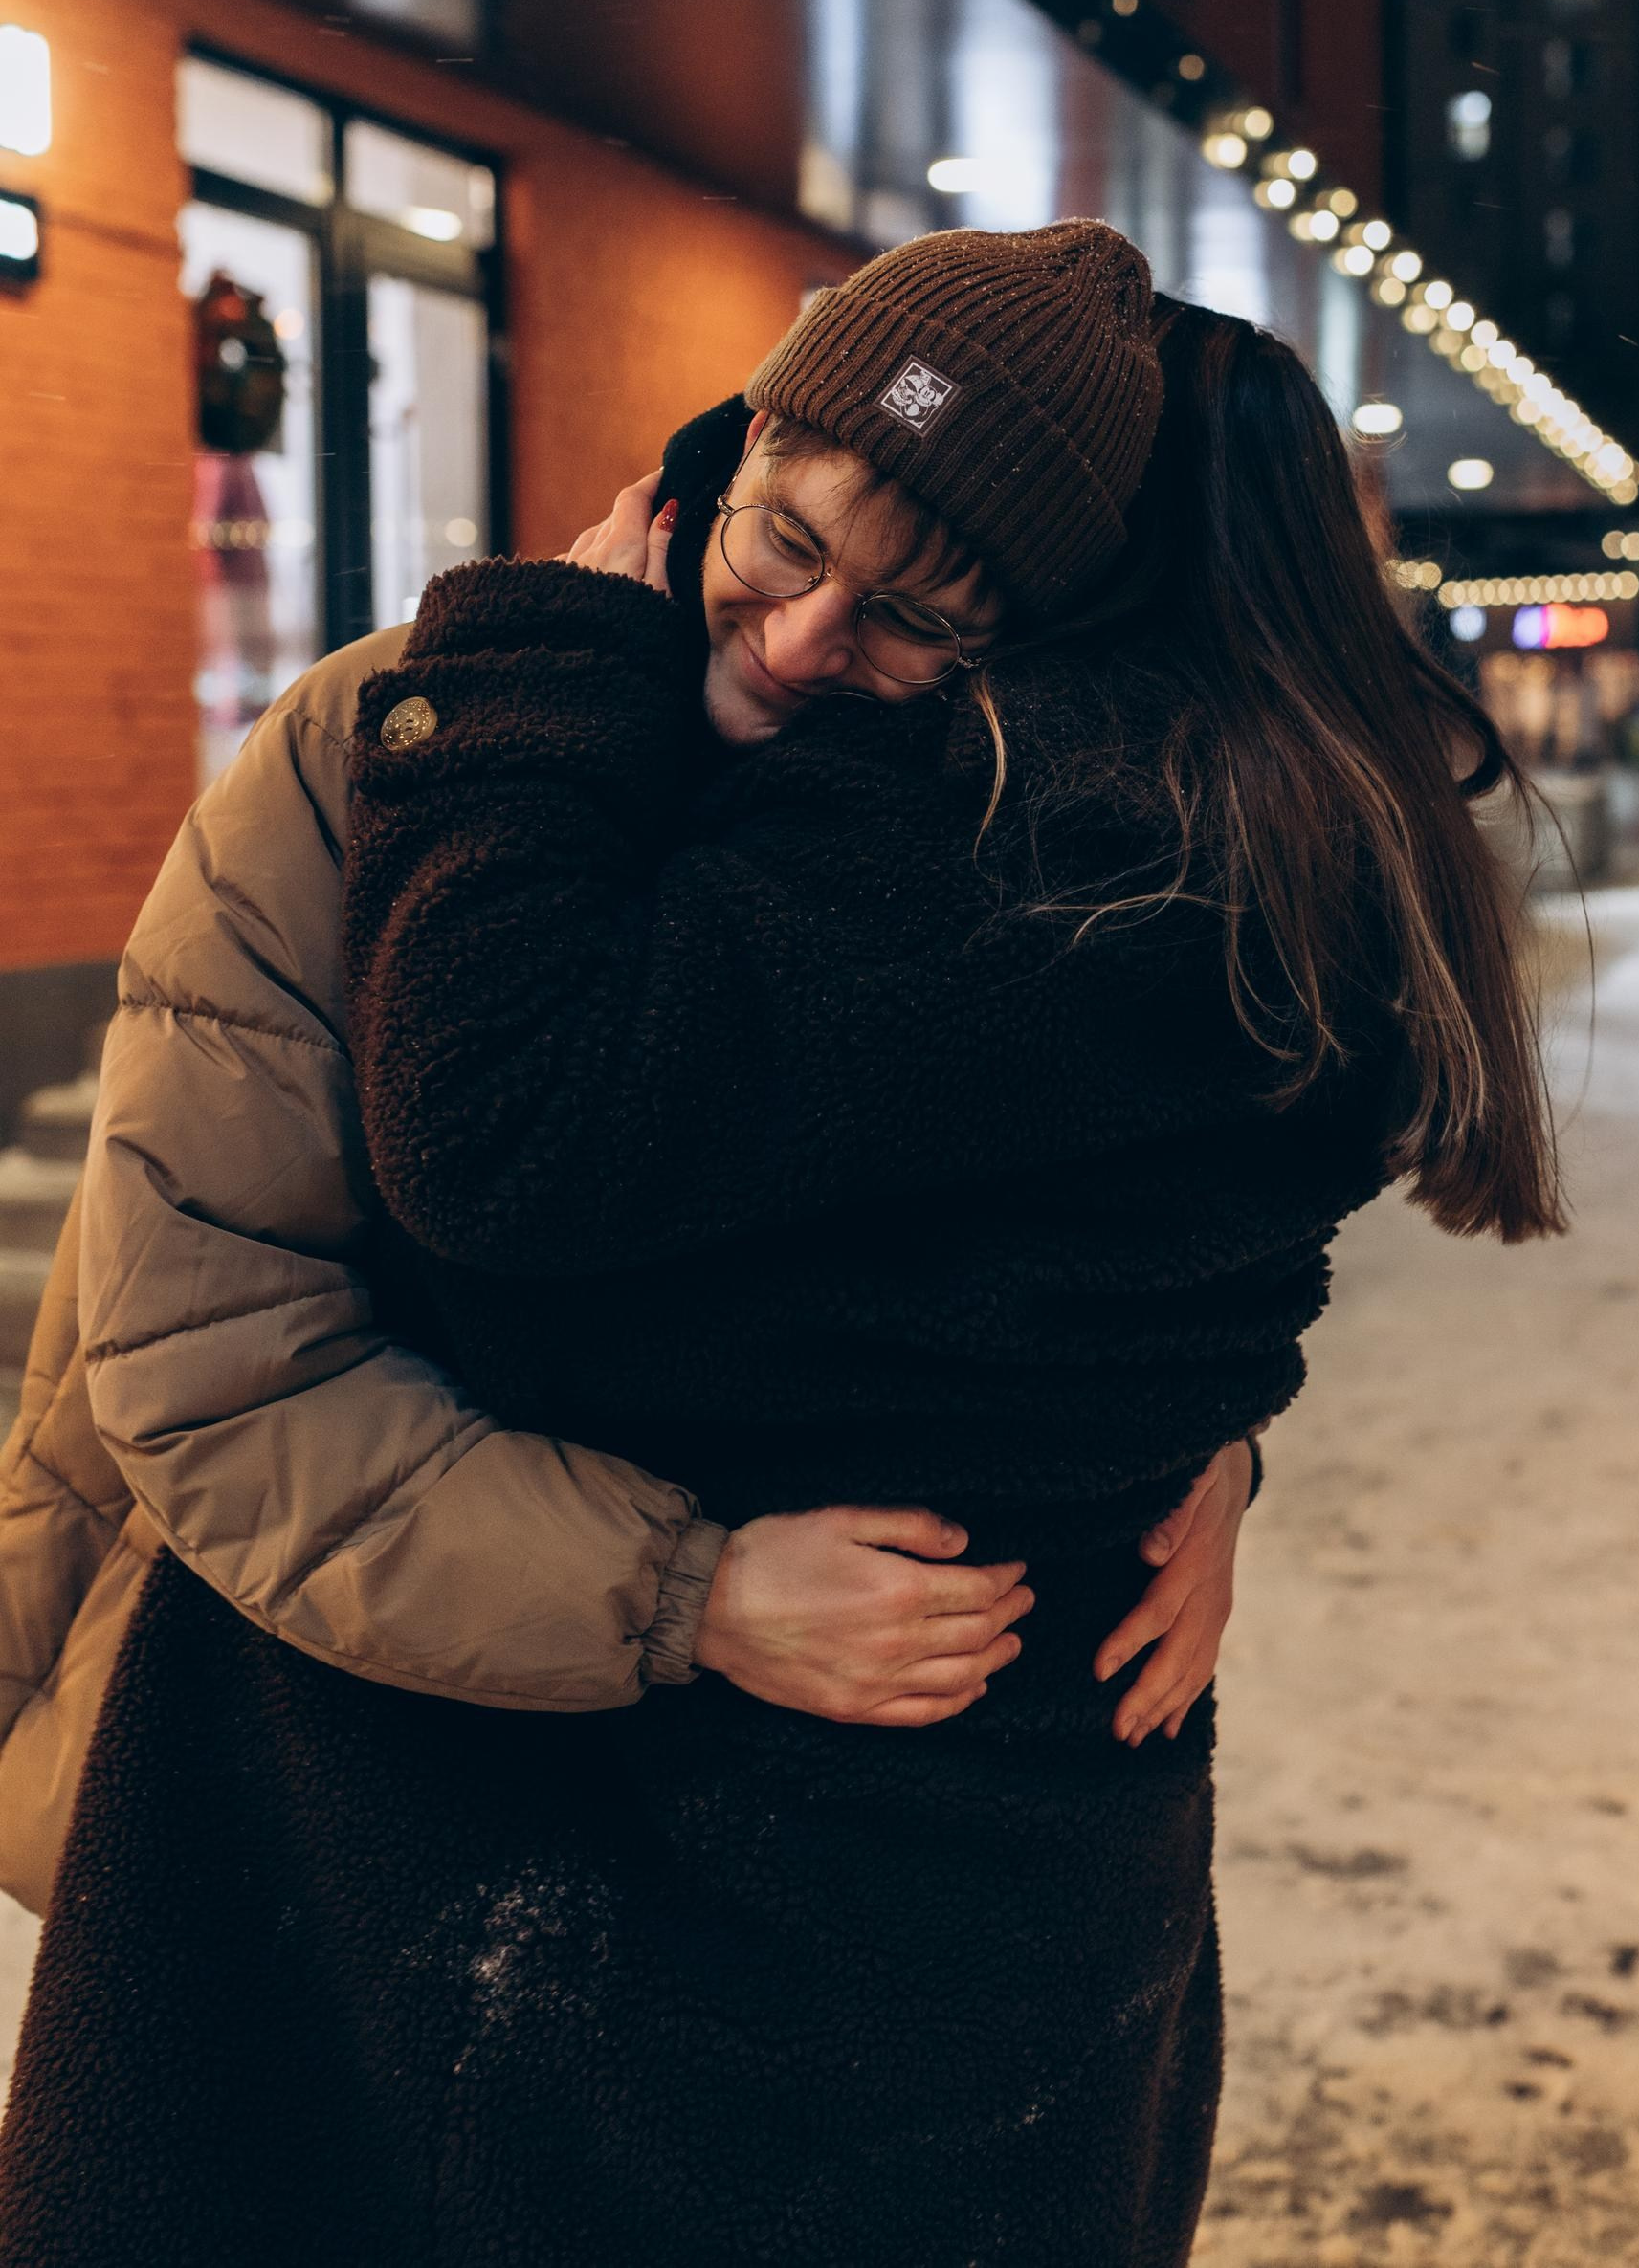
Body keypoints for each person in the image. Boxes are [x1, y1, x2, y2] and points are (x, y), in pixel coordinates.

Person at [0, 222, 1559, 2268]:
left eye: (916, 614)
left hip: (728, 1945)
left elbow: (1048, 1218)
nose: (810, 638)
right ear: (714, 462)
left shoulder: (954, 830)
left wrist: (1179, 1436)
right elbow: (211, 1366)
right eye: (779, 540)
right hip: (302, 1789)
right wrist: (685, 1588)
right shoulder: (381, 752)